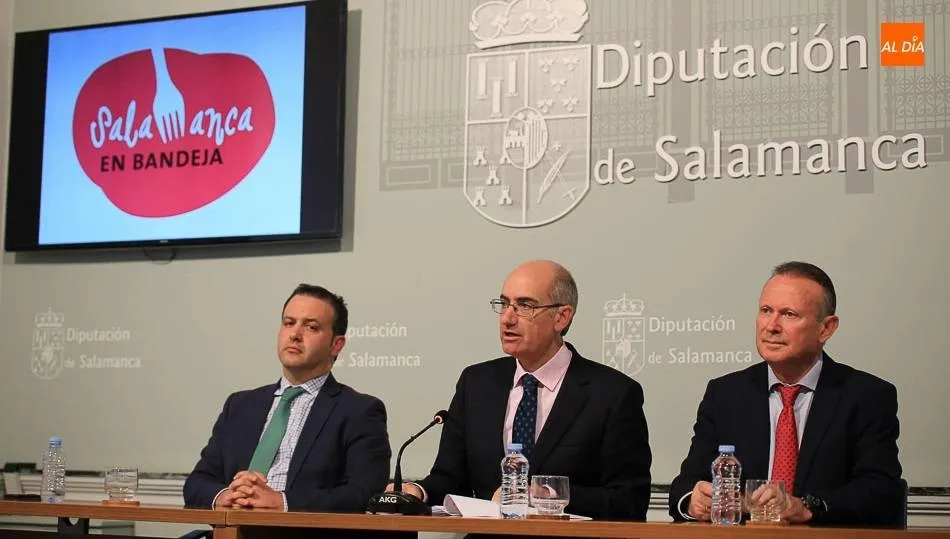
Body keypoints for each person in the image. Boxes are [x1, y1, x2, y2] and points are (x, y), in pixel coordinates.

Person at [389, 260, 652, 521]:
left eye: (525, 306)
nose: (507, 318)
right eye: (504, 304)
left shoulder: (613, 394)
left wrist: (542, 494)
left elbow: (629, 500)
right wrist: (418, 491)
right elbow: (450, 478)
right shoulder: (476, 383)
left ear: (561, 317)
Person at [669, 262, 904, 527]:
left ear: (826, 328)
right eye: (766, 311)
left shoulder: (866, 397)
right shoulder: (725, 394)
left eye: (789, 314)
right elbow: (684, 485)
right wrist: (693, 501)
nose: (771, 326)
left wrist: (806, 507)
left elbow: (880, 492)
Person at [183, 284, 391, 512]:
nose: (295, 335)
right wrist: (226, 496)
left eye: (311, 327)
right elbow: (197, 483)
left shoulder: (359, 411)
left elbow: (364, 493)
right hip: (233, 527)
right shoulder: (240, 406)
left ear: (336, 345)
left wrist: (282, 502)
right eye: (289, 323)